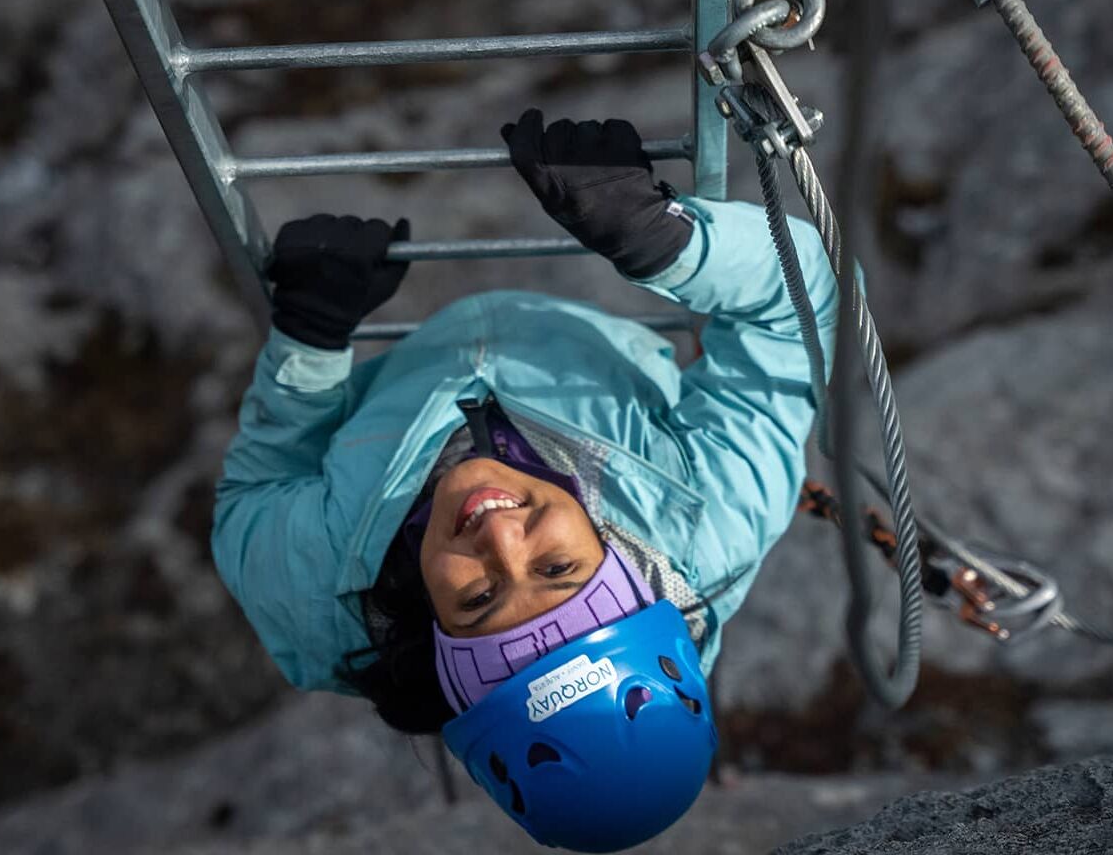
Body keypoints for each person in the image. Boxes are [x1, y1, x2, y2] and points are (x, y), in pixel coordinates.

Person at [212, 109, 839, 851]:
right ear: (626, 570)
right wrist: (668, 241)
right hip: (597, 336)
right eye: (558, 568)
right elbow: (800, 307)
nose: (499, 535)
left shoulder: (313, 598)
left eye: (478, 599)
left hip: (399, 372)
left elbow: (256, 491)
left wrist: (310, 343)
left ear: (438, 645)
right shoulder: (710, 523)